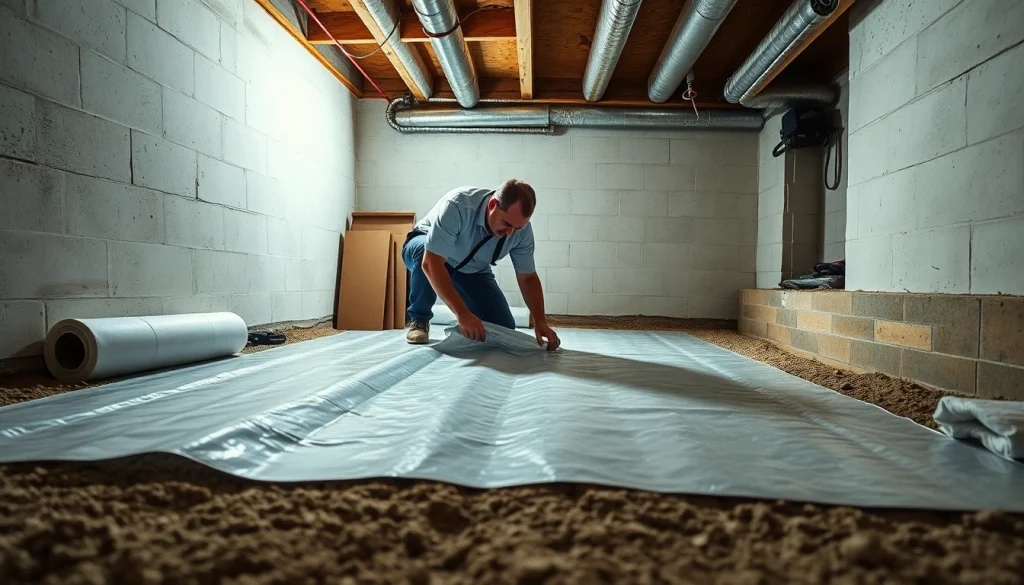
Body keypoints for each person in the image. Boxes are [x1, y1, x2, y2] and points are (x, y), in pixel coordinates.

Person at [401, 180, 561, 351]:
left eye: (518, 227)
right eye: (507, 224)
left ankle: (467, 321)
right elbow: (431, 262)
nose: (510, 233)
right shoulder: (458, 205)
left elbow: (527, 277)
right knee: (424, 249)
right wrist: (462, 313)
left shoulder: (522, 233)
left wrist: (540, 320)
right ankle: (419, 319)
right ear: (493, 205)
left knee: (503, 327)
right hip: (428, 251)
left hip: (472, 269)